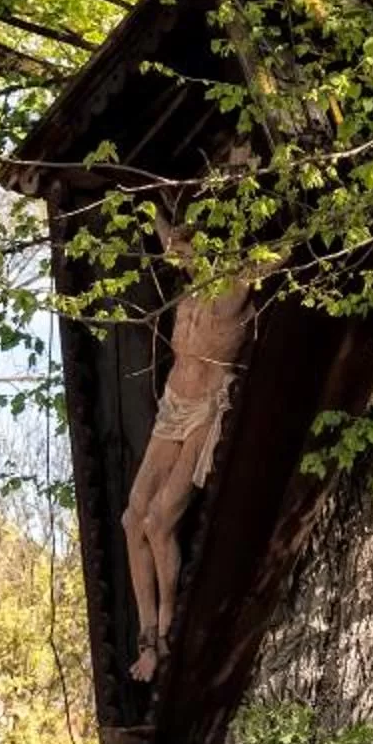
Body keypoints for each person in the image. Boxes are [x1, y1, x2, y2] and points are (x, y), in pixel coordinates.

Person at [121, 214, 264, 683]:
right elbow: (166, 236)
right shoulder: (193, 283)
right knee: (132, 517)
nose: (177, 255)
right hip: (174, 405)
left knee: (160, 519)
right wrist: (148, 207)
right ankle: (145, 631)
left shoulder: (236, 287)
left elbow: (280, 252)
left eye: (188, 250)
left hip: (206, 408)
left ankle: (162, 636)